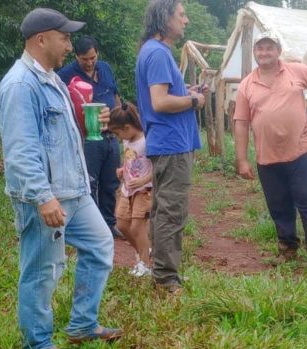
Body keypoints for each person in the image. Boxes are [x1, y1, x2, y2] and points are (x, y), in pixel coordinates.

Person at [0, 7, 123, 349]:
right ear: (41, 39)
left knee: (100, 245)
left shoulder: (51, 78)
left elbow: (61, 138)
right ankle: (37, 344)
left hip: (75, 191)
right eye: (64, 37)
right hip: (46, 196)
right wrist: (42, 196)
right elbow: (21, 151)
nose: (69, 45)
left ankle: (83, 325)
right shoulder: (21, 85)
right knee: (42, 269)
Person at [233, 31, 307, 270]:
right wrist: (242, 159)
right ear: (255, 52)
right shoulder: (247, 84)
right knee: (278, 204)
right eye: (260, 48)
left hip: (299, 151)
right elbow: (241, 122)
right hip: (266, 157)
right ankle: (287, 249)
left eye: (269, 47)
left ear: (278, 51)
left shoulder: (296, 71)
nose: (264, 52)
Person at [136, 0, 205, 294]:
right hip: (170, 143)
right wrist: (194, 101)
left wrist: (185, 92)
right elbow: (160, 102)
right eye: (182, 15)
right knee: (171, 210)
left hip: (167, 142)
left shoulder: (153, 52)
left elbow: (163, 95)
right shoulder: (159, 54)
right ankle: (166, 278)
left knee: (164, 207)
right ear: (165, 19)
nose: (186, 21)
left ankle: (163, 271)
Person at [58, 36, 124, 239]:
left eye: (92, 57)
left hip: (111, 135)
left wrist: (119, 123)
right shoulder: (65, 75)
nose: (89, 62)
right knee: (89, 183)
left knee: (111, 182)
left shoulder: (105, 68)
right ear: (76, 56)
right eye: (84, 59)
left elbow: (115, 97)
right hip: (86, 139)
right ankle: (93, 228)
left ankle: (108, 223)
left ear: (98, 54)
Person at [109, 102, 154, 277]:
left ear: (127, 127)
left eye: (118, 133)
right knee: (121, 223)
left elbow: (157, 166)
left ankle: (145, 264)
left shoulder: (146, 141)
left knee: (137, 226)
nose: (119, 137)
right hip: (127, 188)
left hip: (143, 189)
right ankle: (144, 253)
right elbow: (131, 160)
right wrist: (122, 169)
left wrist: (144, 179)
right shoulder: (128, 140)